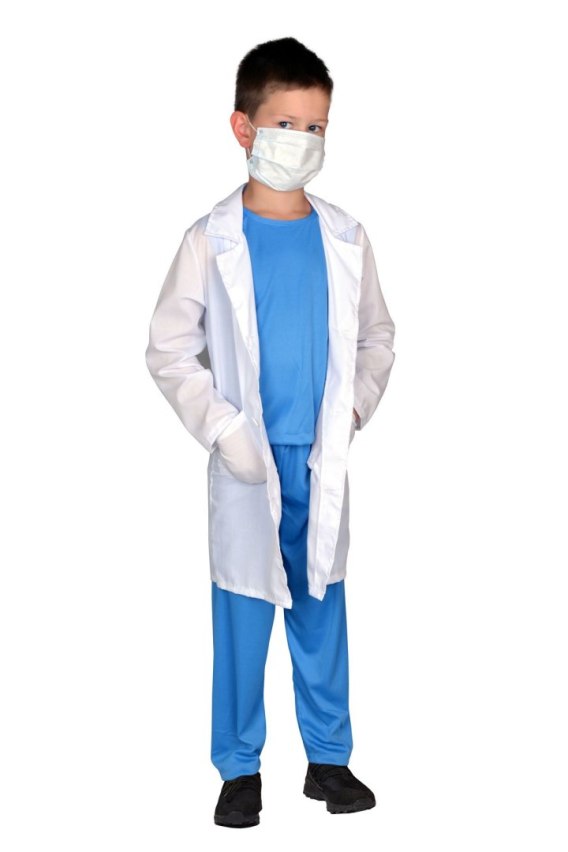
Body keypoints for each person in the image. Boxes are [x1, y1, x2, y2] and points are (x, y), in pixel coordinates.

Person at [145, 36, 396, 828]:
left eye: (317, 127)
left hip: (320, 457)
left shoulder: (346, 236)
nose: (304, 141)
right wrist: (223, 429)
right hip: (248, 460)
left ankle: (329, 760)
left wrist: (353, 408)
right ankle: (239, 769)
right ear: (244, 127)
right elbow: (168, 348)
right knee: (243, 613)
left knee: (321, 606)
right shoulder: (210, 239)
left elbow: (377, 336)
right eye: (287, 124)